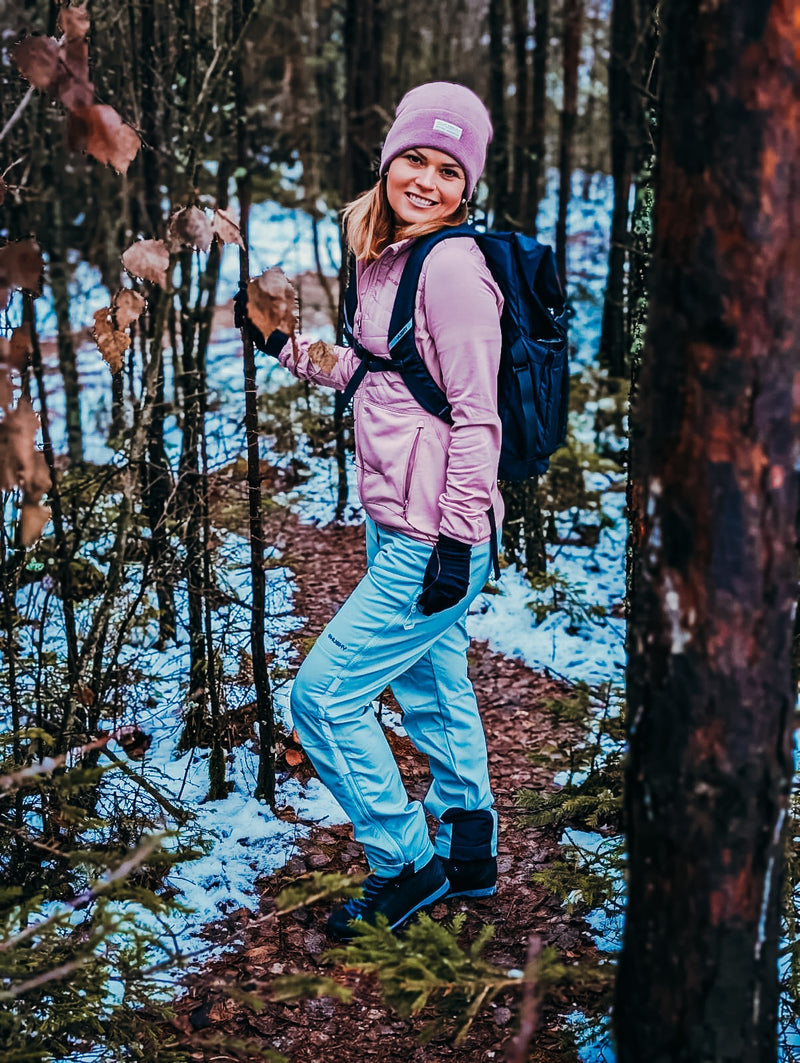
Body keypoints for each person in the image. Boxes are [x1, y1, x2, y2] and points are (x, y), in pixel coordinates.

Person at [243, 82, 504, 941]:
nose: (426, 180)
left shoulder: (455, 269)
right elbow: (373, 372)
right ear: (389, 159)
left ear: (467, 184)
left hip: (437, 533)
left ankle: (406, 863)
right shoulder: (383, 257)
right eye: (414, 160)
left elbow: (477, 415)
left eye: (447, 169)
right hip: (400, 522)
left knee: (320, 699)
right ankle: (469, 850)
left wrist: (458, 543)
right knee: (432, 686)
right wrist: (289, 349)